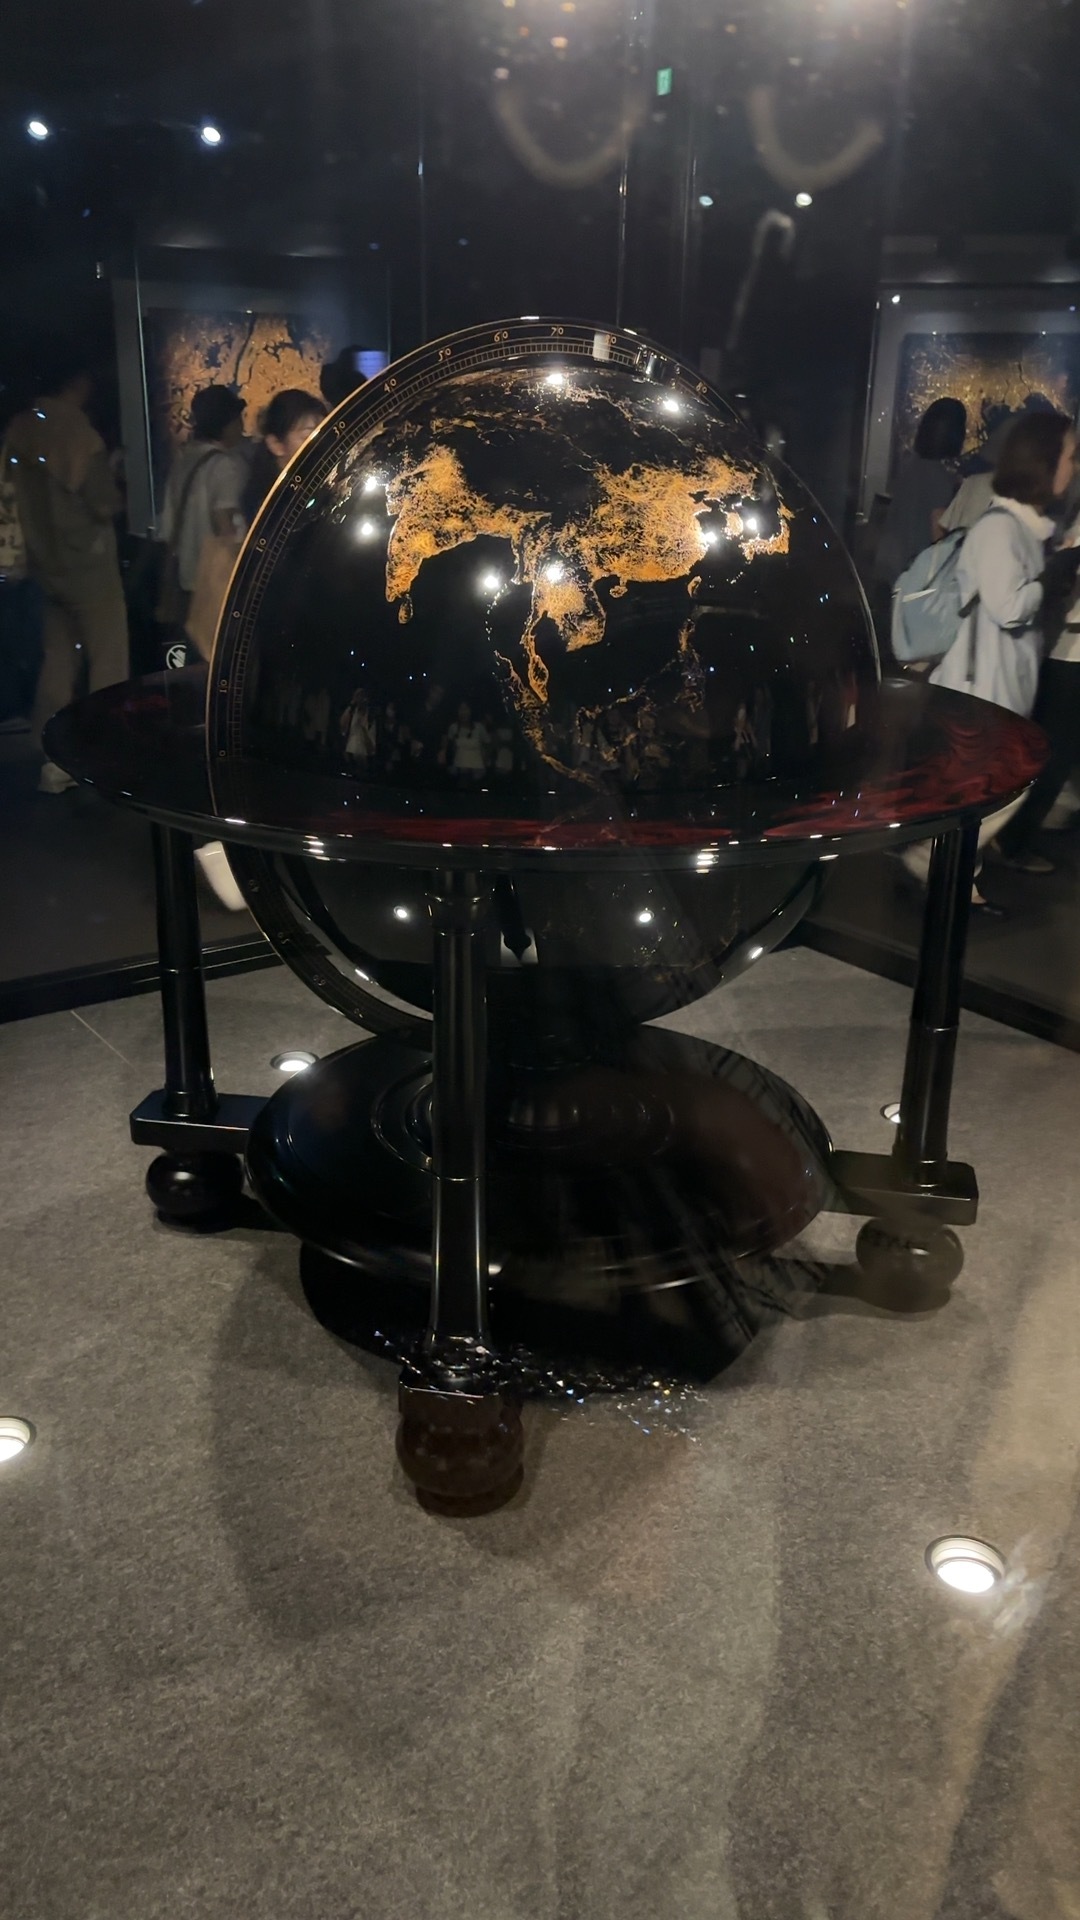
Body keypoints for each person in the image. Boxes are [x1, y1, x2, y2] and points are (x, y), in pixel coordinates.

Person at [912, 411, 1079, 908]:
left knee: (982, 788)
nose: (1074, 467)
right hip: (980, 685)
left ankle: (953, 876)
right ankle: (929, 861)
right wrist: (1054, 575)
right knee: (1001, 786)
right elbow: (1009, 607)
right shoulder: (1000, 529)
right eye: (1069, 456)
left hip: (1002, 681)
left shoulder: (1026, 528)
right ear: (1043, 461)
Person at [4, 356, 129, 792]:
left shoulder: (21, 426)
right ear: (78, 382)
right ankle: (106, 751)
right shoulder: (75, 431)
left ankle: (52, 752)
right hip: (87, 564)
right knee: (108, 656)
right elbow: (102, 502)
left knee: (57, 659)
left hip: (43, 562)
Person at [158, 385, 246, 640]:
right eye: (237, 419)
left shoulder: (184, 459)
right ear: (226, 424)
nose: (241, 427)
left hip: (186, 579)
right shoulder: (223, 465)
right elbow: (226, 525)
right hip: (215, 585)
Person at [873, 398, 967, 629]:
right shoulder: (940, 479)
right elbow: (938, 534)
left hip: (888, 566)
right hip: (913, 574)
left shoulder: (910, 466)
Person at [241, 389, 327, 526]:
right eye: (308, 437)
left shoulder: (324, 482)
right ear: (276, 445)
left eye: (324, 434)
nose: (321, 443)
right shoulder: (269, 504)